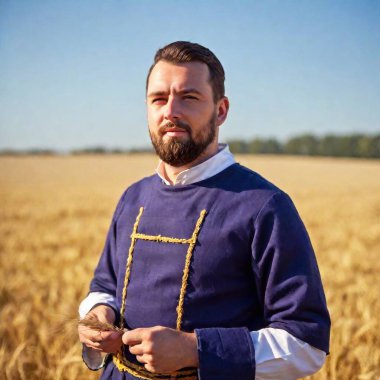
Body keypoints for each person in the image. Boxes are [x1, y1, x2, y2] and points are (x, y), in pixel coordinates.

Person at [78, 41, 330, 380]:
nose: (170, 111)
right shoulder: (132, 197)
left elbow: (306, 343)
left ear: (221, 110)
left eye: (189, 97)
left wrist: (194, 350)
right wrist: (98, 314)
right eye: (159, 99)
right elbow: (105, 285)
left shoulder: (264, 206)